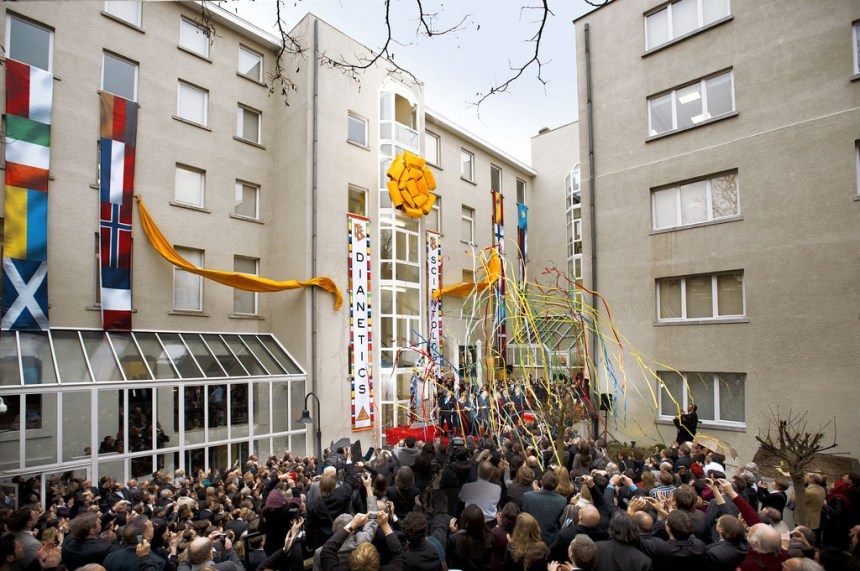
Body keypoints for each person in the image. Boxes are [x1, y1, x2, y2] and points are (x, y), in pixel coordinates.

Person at [447, 505, 492, 571]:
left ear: (463, 519)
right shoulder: (489, 538)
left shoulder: (454, 539)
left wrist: (453, 533)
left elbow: (448, 558)